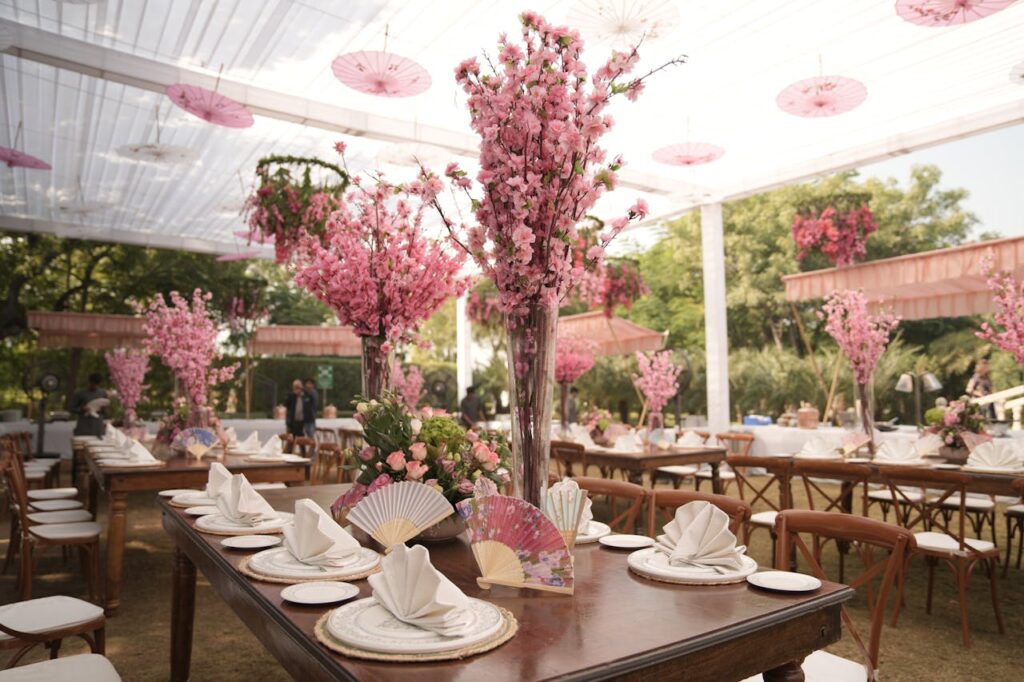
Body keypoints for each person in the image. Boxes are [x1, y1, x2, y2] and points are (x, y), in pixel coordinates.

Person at [70, 372, 108, 437]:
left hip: (98, 425)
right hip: (84, 425)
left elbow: (106, 412)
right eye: (93, 384)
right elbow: (72, 408)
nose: (95, 386)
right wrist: (82, 409)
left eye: (97, 384)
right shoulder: (80, 393)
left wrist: (104, 409)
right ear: (90, 382)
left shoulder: (103, 393)